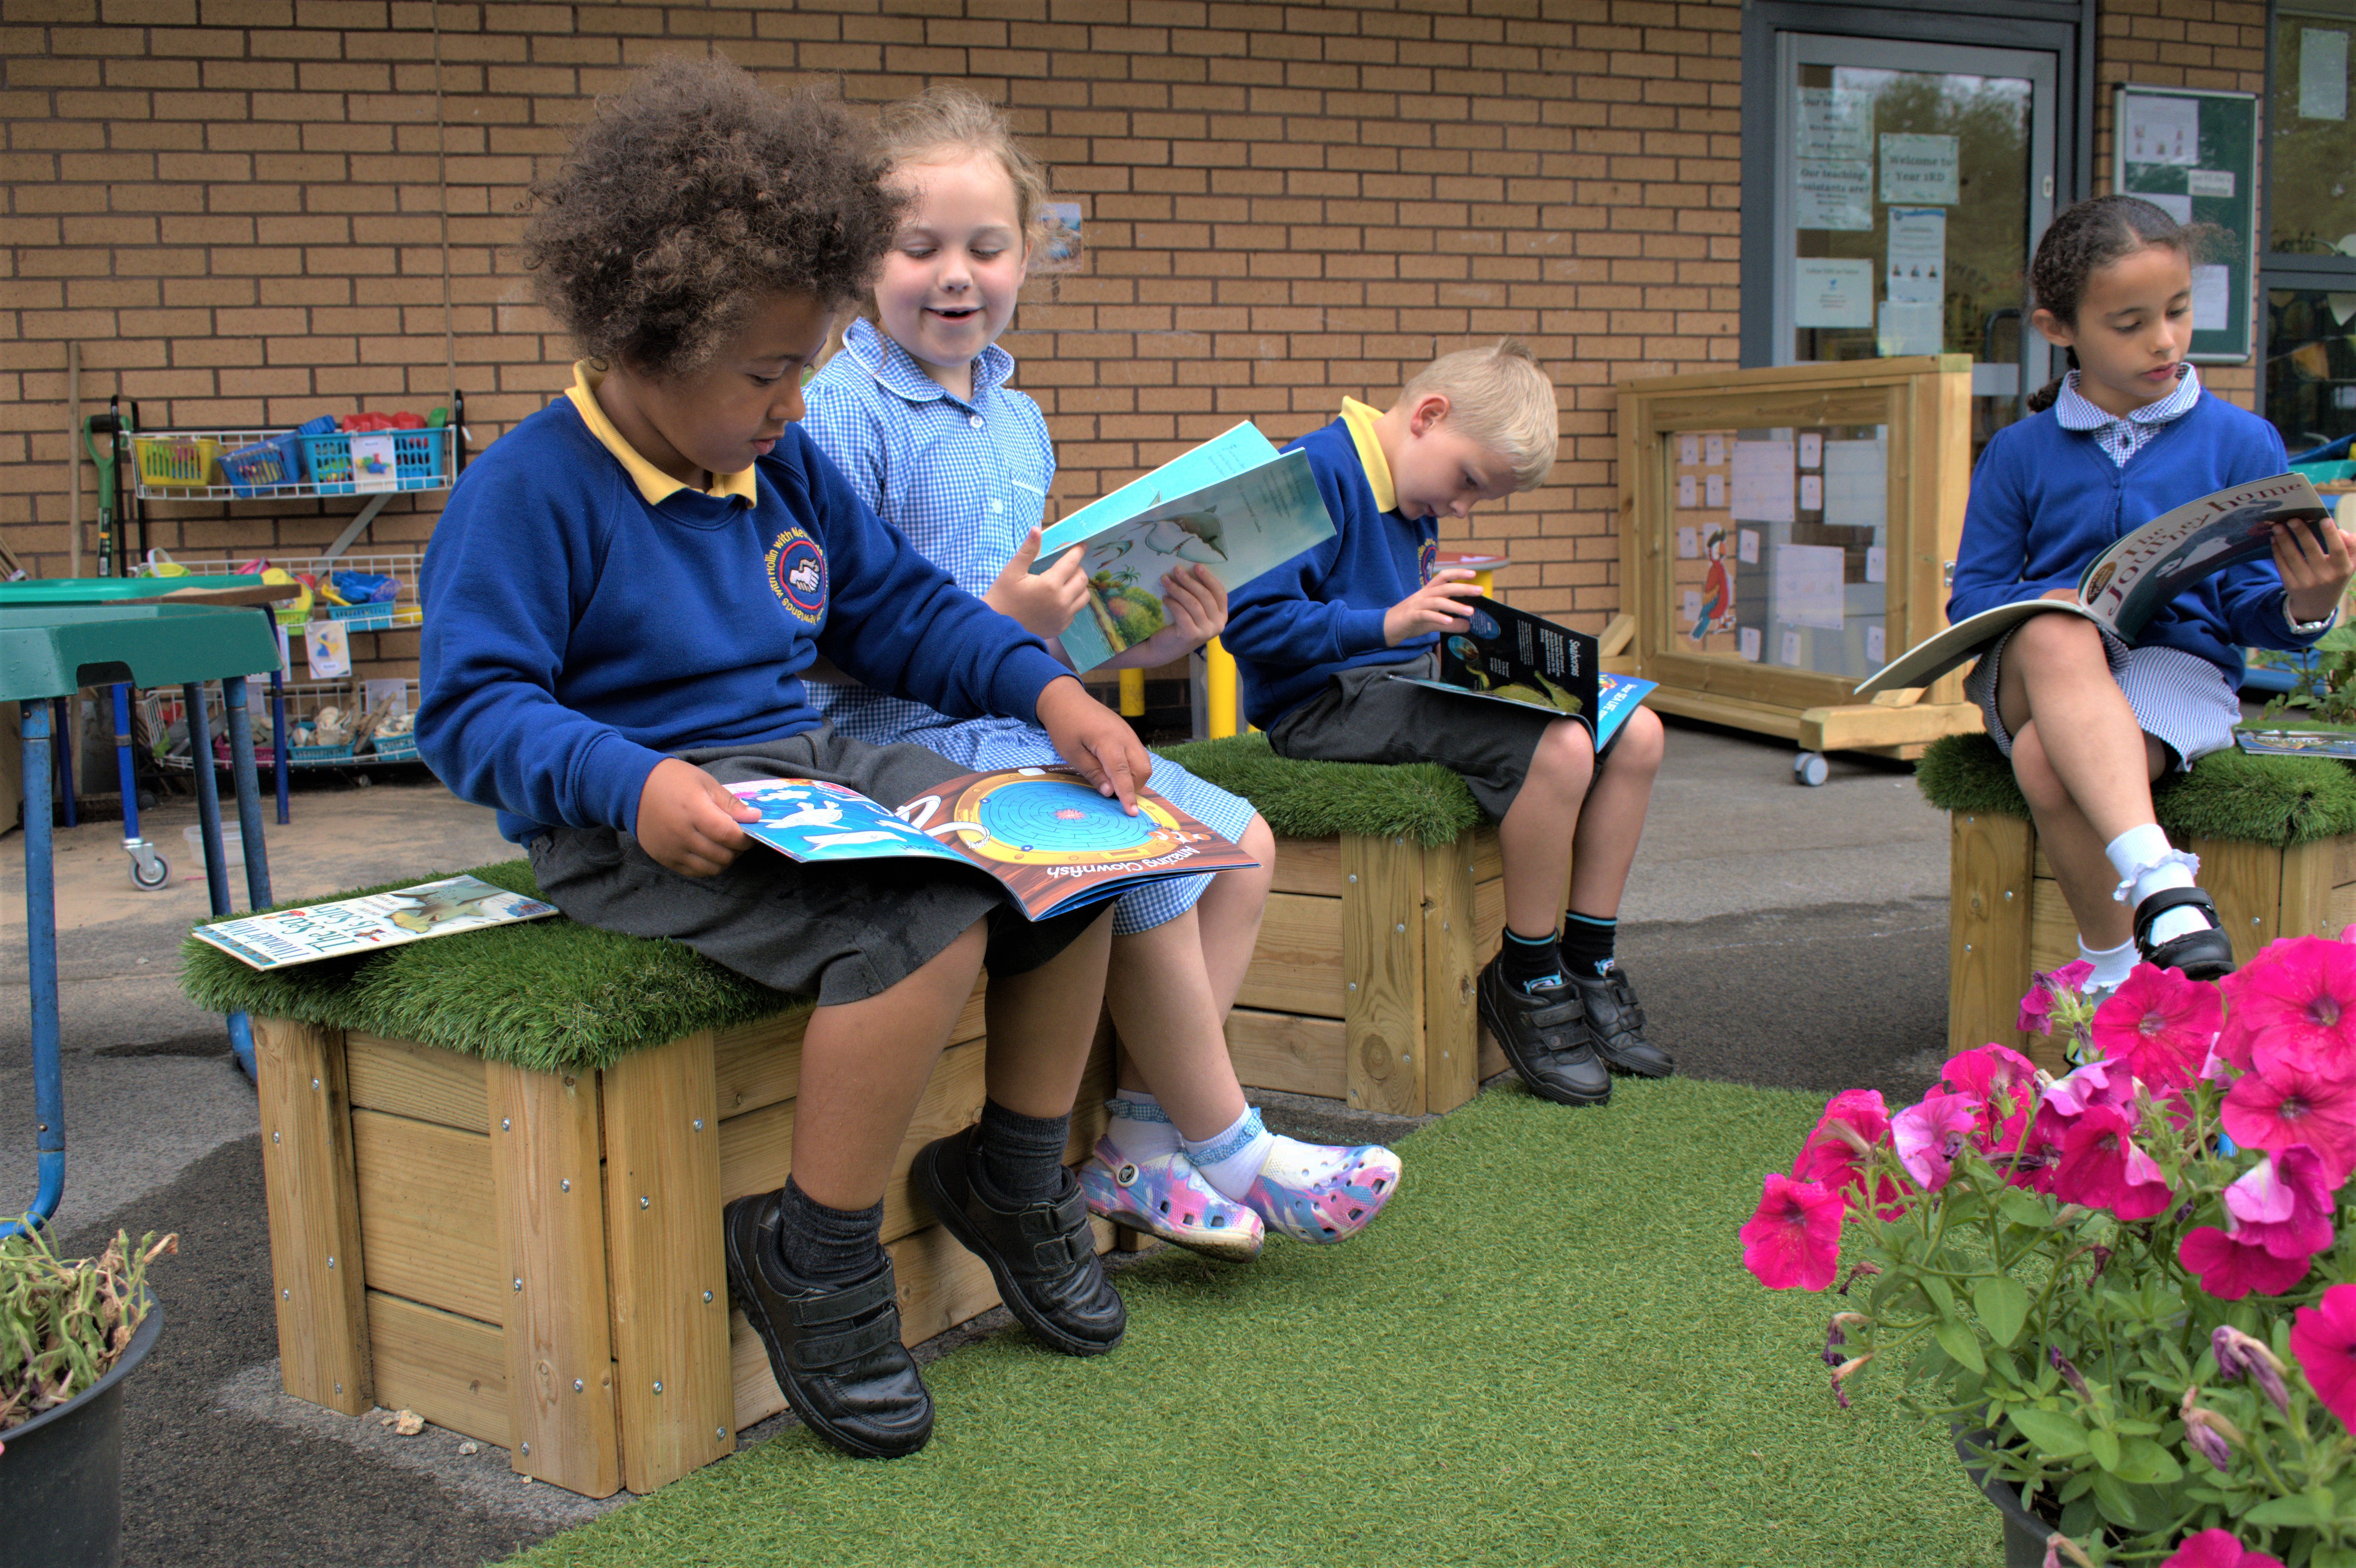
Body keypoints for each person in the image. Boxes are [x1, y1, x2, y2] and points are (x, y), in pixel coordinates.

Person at [415, 58, 1159, 1462]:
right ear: (647, 344)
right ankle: (814, 1254)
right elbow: (468, 708)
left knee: (1077, 853)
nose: (792, 402)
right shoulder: (527, 488)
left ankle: (1009, 1173)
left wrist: (1048, 691)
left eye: (804, 366)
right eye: (766, 372)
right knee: (925, 919)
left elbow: (906, 613)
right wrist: (632, 783)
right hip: (633, 813)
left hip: (800, 760)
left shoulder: (784, 462)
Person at [799, 85, 1401, 1259]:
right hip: (893, 734)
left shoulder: (1018, 421)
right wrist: (997, 621)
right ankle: (1234, 1144)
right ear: (866, 258)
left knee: (1243, 846)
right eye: (919, 248)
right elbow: (818, 624)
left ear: (1030, 253)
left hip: (1013, 721)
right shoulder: (840, 413)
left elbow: (1051, 635)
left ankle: (1136, 1146)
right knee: (1138, 846)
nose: (955, 275)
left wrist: (1155, 636)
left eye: (987, 246)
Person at [1223, 341, 1673, 1110]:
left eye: (1482, 497)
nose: (1462, 507)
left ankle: (1588, 961)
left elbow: (1399, 624)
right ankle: (1527, 973)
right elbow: (1250, 624)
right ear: (1429, 417)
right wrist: (1390, 620)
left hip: (1405, 684)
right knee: (1560, 744)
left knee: (1638, 730)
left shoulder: (1410, 490)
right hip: (1321, 708)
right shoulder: (1310, 472)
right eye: (1467, 481)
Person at [1949, 193, 2355, 989]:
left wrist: (2310, 603)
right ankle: (2165, 881)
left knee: (2046, 759)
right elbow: (1975, 601)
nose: (2164, 340)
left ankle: (2110, 971)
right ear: (2057, 330)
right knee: (2054, 632)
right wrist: (2058, 600)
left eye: (2177, 310)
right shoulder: (2018, 452)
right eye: (2129, 324)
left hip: (2175, 670)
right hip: (2036, 674)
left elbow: (2247, 607)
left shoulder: (2242, 441)